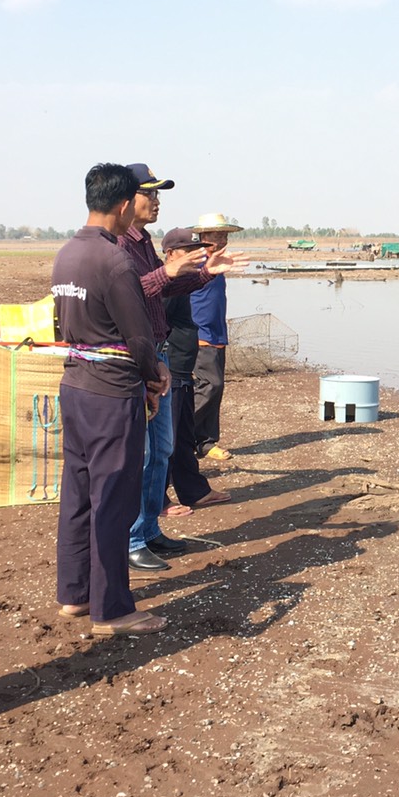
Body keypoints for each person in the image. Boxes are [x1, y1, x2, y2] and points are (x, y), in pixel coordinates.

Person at [52, 163, 170, 636]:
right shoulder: (115, 261)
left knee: (78, 496)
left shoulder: (65, 254)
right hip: (111, 393)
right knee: (113, 500)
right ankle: (112, 608)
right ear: (123, 206)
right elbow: (138, 338)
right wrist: (155, 376)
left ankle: (75, 594)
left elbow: (63, 325)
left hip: (75, 385)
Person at [116, 165, 242, 571]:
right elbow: (125, 295)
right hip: (135, 358)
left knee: (163, 449)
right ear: (125, 198)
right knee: (144, 452)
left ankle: (150, 530)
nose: (156, 201)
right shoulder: (115, 244)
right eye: (149, 193)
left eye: (158, 194)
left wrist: (204, 272)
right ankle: (133, 538)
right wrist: (166, 272)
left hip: (159, 353)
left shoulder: (141, 242)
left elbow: (163, 288)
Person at [162, 228, 232, 510]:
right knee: (166, 438)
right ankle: (158, 499)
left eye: (197, 251)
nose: (195, 256)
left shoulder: (189, 278)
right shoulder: (166, 282)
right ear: (169, 255)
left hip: (184, 362)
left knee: (181, 435)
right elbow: (159, 323)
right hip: (172, 363)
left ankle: (193, 490)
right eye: (188, 252)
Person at [190, 212, 244, 461]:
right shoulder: (195, 261)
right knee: (210, 386)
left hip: (217, 333)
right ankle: (182, 437)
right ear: (202, 236)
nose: (221, 239)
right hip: (200, 334)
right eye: (215, 235)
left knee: (216, 388)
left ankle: (205, 442)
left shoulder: (218, 262)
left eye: (223, 235)